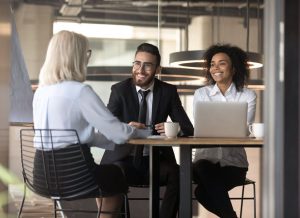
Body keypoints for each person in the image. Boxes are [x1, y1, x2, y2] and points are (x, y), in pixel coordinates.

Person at [33, 30, 150, 218]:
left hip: (41, 176)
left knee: (108, 177)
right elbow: (119, 133)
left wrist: (119, 134)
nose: (88, 58)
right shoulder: (80, 92)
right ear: (77, 56)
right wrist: (132, 131)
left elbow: (77, 137)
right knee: (115, 175)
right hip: (75, 176)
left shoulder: (41, 92)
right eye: (87, 53)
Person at [101, 43, 194, 218]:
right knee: (114, 173)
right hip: (124, 159)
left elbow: (188, 128)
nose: (140, 70)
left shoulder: (168, 91)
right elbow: (107, 126)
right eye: (137, 63)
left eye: (147, 65)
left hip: (156, 160)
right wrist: (126, 128)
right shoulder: (119, 90)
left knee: (180, 173)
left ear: (157, 69)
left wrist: (173, 129)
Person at [192, 44, 257, 218]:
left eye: (222, 63)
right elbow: (201, 128)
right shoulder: (200, 94)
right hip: (203, 164)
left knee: (201, 193)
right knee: (203, 167)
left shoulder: (248, 95)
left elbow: (242, 130)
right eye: (212, 64)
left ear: (234, 68)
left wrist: (218, 128)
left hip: (234, 165)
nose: (215, 68)